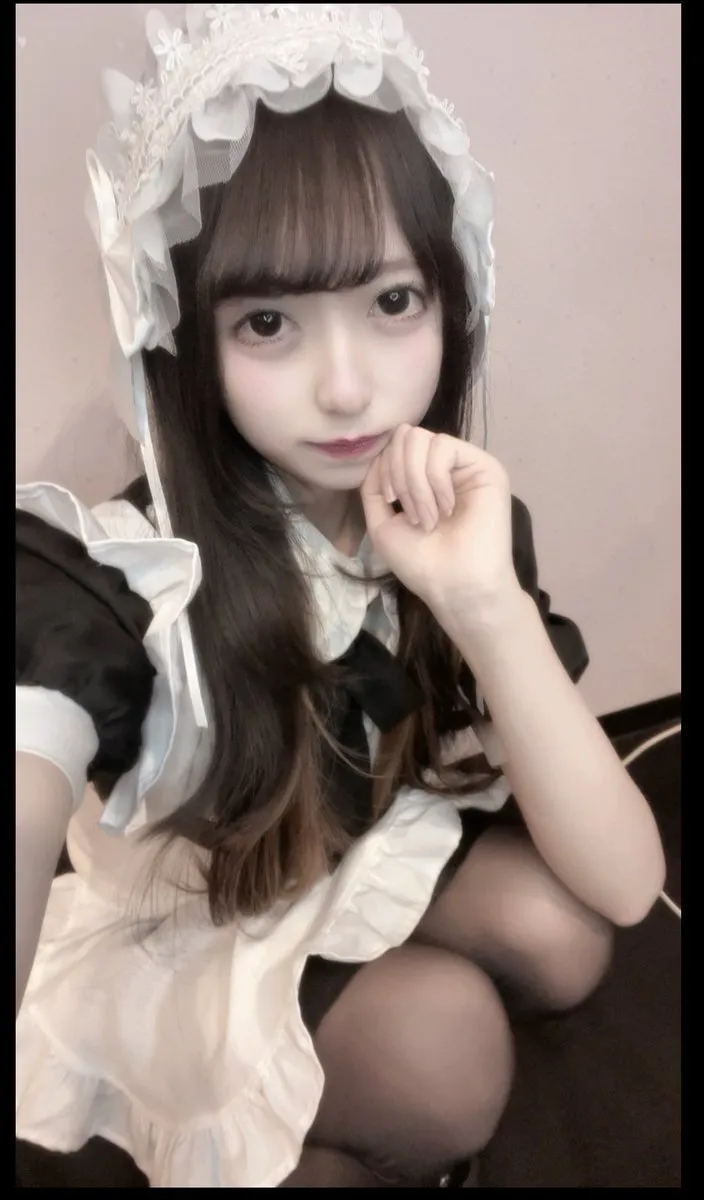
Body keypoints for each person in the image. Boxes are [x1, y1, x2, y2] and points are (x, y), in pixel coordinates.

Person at [16, 3, 666, 1189]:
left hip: (345, 860)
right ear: (188, 337)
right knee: (446, 1057)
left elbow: (628, 884)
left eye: (391, 302)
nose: (350, 389)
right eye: (269, 322)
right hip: (194, 934)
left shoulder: (447, 514)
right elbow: (36, 718)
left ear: (449, 295)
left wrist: (481, 600)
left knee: (564, 935)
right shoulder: (126, 576)